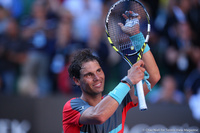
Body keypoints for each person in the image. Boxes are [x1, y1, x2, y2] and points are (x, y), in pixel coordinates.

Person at [62, 11, 160, 133]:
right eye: (89, 75)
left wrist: (136, 36)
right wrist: (128, 80)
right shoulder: (71, 107)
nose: (97, 77)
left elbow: (153, 77)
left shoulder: (119, 102)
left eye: (98, 71)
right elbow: (99, 115)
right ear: (77, 80)